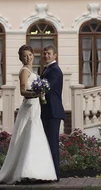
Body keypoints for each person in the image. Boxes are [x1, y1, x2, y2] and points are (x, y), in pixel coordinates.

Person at [0, 45, 57, 184]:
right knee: (28, 136)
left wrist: (41, 92)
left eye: (30, 55)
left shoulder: (32, 70)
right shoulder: (24, 71)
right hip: (29, 106)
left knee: (36, 136)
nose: (28, 57)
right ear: (21, 58)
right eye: (25, 56)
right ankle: (25, 172)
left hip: (36, 107)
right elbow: (22, 91)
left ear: (33, 55)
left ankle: (39, 172)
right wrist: (36, 93)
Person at [40, 45, 66, 182]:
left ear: (55, 55)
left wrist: (35, 90)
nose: (46, 56)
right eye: (44, 53)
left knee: (52, 143)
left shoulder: (55, 70)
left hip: (53, 111)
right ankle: (48, 172)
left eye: (49, 53)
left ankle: (55, 174)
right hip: (46, 111)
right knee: (47, 143)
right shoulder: (46, 69)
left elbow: (46, 87)